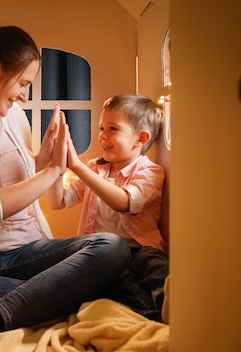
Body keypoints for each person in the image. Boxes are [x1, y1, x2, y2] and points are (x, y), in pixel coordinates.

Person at [0, 25, 130, 347]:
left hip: (28, 253)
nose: (25, 97)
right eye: (23, 84)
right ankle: (51, 295)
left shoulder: (14, 115)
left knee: (112, 248)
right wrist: (54, 169)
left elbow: (13, 178)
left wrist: (41, 159)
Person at [47, 93, 169, 322]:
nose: (102, 136)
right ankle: (147, 314)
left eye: (112, 128)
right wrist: (58, 168)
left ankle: (169, 304)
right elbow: (57, 202)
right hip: (101, 254)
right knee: (119, 283)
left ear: (140, 138)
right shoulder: (96, 168)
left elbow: (124, 202)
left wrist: (78, 167)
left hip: (138, 250)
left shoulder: (150, 171)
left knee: (156, 265)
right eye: (102, 128)